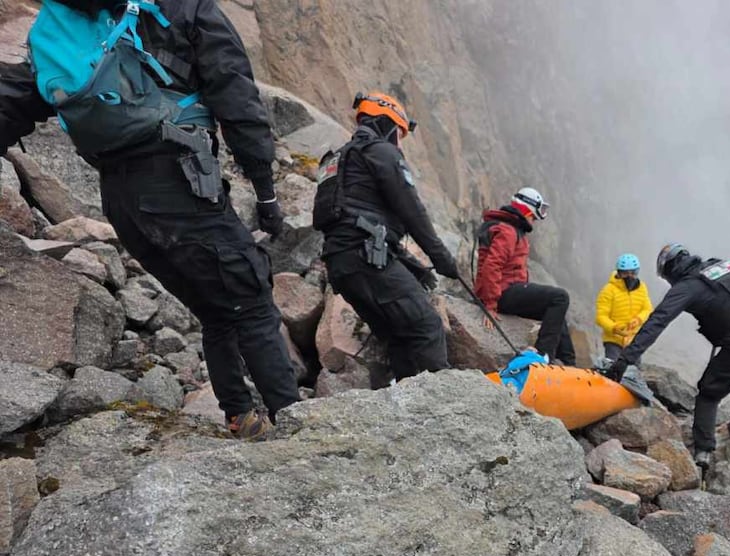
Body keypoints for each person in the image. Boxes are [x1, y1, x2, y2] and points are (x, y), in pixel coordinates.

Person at [0, 0, 299, 439]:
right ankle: (298, 426)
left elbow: (21, 97)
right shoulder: (186, 8)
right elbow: (236, 97)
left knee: (215, 308)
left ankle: (240, 416)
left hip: (121, 201)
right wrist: (265, 189)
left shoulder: (68, 25)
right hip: (177, 183)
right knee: (250, 297)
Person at [313, 91, 460, 383]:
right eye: (399, 133)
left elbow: (346, 218)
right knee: (426, 325)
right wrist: (442, 258)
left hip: (341, 266)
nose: (398, 141)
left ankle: (404, 407)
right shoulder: (381, 152)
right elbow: (411, 209)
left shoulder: (340, 158)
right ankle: (445, 403)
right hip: (365, 258)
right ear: (389, 124)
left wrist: (405, 261)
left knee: (399, 335)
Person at [605, 243, 730, 466]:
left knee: (708, 392)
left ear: (670, 270)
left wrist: (624, 360)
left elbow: (657, 321)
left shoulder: (688, 286)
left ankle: (703, 451)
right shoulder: (722, 265)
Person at [474, 188, 576, 366]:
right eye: (533, 217)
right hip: (503, 293)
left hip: (506, 290)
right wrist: (490, 305)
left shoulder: (511, 229)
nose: (534, 221)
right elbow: (492, 266)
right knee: (560, 297)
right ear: (527, 211)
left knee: (557, 312)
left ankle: (569, 363)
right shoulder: (507, 231)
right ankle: (543, 354)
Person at [595, 253, 653, 361]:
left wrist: (638, 319)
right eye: (625, 273)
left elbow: (647, 309)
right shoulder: (608, 290)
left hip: (634, 340)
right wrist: (614, 328)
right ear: (619, 272)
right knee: (612, 369)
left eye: (633, 273)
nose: (630, 276)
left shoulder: (642, 288)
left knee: (633, 372)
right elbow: (600, 317)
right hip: (613, 340)